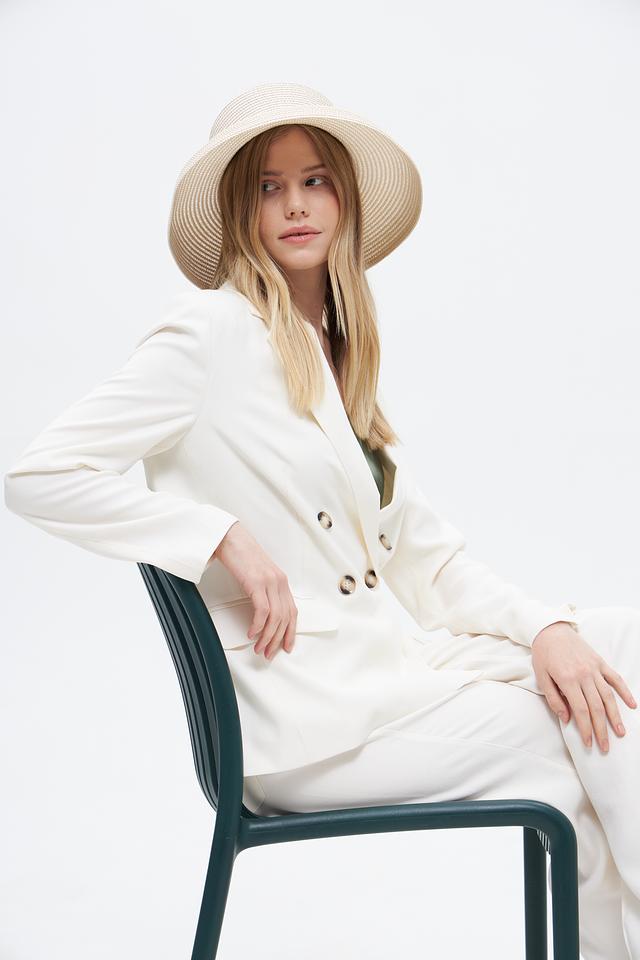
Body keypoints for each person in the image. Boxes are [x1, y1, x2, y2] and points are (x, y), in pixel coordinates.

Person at [4, 82, 640, 959]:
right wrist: (214, 534)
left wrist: (548, 630)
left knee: (614, 650)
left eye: (314, 181)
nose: (295, 205)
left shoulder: (331, 354)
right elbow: (36, 474)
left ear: (343, 199)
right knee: (588, 728)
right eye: (269, 187)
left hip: (382, 676)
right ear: (242, 211)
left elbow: (428, 562)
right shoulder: (209, 335)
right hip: (308, 720)